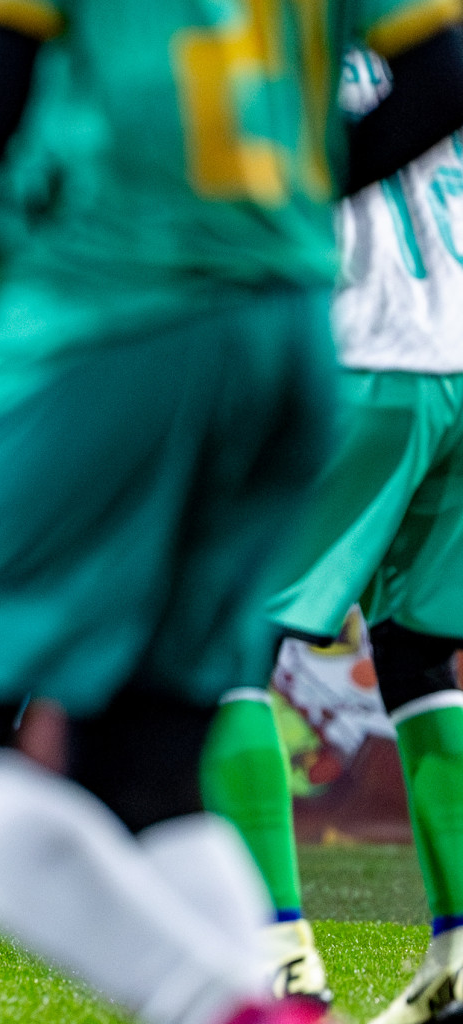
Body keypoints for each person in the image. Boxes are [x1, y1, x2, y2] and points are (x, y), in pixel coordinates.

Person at [0, 4, 463, 1024]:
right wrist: (293, 202)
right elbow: (442, 76)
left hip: (114, 315)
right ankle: (264, 980)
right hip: (291, 333)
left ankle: (233, 1005)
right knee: (147, 760)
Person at [201, 46, 463, 1022]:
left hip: (361, 358)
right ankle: (459, 950)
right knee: (421, 652)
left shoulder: (267, 44)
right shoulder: (431, 45)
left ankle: (273, 948)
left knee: (224, 636)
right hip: (461, 363)